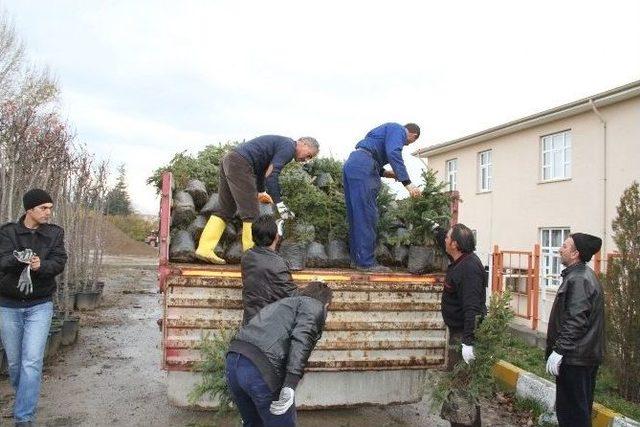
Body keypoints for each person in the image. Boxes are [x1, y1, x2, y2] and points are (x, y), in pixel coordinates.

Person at [0, 189, 67, 426]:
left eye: (50, 207)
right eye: (43, 208)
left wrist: (41, 265)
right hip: (8, 305)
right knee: (16, 363)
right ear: (29, 210)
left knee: (31, 361)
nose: (48, 212)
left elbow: (59, 262)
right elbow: (1, 262)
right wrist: (17, 258)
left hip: (40, 305)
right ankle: (22, 400)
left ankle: (24, 418)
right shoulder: (7, 232)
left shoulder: (55, 233)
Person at [195, 135, 319, 264]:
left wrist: (261, 192)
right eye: (309, 155)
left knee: (226, 209)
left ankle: (204, 248)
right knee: (251, 213)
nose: (306, 160)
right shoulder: (289, 147)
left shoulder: (281, 144)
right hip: (240, 164)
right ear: (303, 144)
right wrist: (280, 204)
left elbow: (262, 171)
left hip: (230, 160)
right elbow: (272, 175)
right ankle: (252, 257)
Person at [225, 281, 332, 427]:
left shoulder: (284, 304)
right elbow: (302, 340)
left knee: (254, 424)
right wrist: (290, 383)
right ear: (326, 305)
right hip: (260, 370)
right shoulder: (314, 306)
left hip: (233, 363)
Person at [343, 123, 421, 272]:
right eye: (411, 142)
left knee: (356, 215)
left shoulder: (382, 133)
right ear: (413, 136)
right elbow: (393, 153)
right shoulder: (398, 129)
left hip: (354, 164)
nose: (407, 144)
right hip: (363, 166)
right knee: (367, 215)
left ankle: (357, 260)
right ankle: (366, 263)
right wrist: (408, 184)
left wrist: (387, 173)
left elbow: (370, 155)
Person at [545, 233, 604, 427]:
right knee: (576, 412)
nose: (560, 249)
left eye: (564, 246)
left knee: (573, 416)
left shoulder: (579, 279)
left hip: (575, 360)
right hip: (578, 357)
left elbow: (576, 320)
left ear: (575, 253)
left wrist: (560, 350)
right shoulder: (578, 275)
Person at [434, 223, 487, 370]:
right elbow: (444, 240)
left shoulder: (469, 269)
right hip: (457, 330)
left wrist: (468, 342)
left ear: (455, 244)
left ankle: (458, 391)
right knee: (454, 370)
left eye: (447, 237)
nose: (445, 240)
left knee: (459, 375)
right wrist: (436, 229)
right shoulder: (460, 258)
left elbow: (472, 308)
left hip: (463, 333)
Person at [240, 214, 297, 325]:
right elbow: (292, 295)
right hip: (269, 327)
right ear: (276, 236)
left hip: (250, 323)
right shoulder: (277, 263)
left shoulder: (247, 258)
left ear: (252, 237)